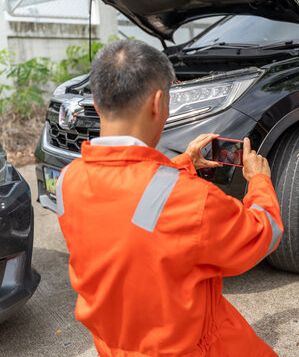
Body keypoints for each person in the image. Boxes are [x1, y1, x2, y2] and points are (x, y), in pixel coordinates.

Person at [56, 40, 283, 356]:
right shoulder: (193, 200)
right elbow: (263, 232)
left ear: (96, 101)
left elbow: (126, 203)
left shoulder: (69, 179)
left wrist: (183, 164)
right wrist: (259, 181)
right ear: (158, 103)